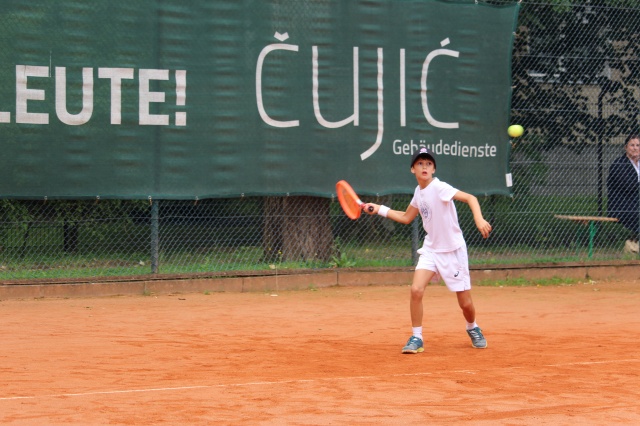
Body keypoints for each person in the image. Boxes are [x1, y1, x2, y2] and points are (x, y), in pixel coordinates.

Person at [363, 147, 492, 354]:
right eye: (420, 163)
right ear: (412, 169)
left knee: (465, 303)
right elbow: (407, 217)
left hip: (453, 251)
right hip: (431, 249)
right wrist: (379, 209)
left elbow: (471, 198)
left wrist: (479, 219)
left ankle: (472, 327)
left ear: (433, 169)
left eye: (429, 164)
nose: (425, 167)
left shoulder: (439, 188)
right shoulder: (418, 192)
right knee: (416, 289)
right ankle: (417, 337)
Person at [607, 134, 640, 253]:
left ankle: (633, 243)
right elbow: (629, 186)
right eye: (632, 145)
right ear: (626, 147)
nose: (635, 148)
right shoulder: (619, 164)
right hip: (622, 205)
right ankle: (633, 243)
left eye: (638, 145)